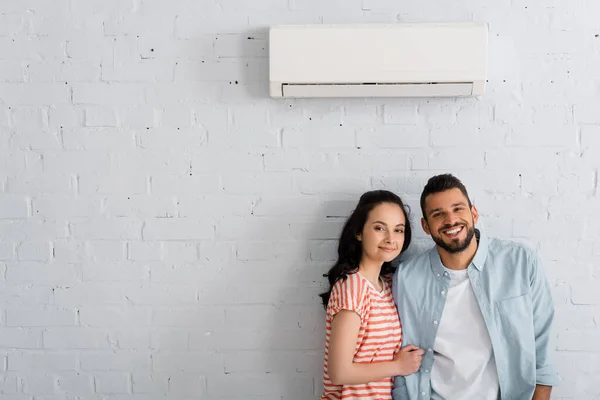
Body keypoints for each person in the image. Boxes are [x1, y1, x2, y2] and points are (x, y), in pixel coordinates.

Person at [392, 174, 560, 400]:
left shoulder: (520, 262)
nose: (451, 220)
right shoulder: (407, 277)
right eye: (438, 214)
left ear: (474, 213)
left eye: (458, 209)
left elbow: (543, 343)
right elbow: (401, 351)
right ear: (425, 225)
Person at [319, 190, 425, 400]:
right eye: (379, 228)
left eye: (398, 230)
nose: (390, 239)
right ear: (358, 232)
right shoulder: (352, 287)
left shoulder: (386, 285)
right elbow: (339, 372)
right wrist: (398, 366)